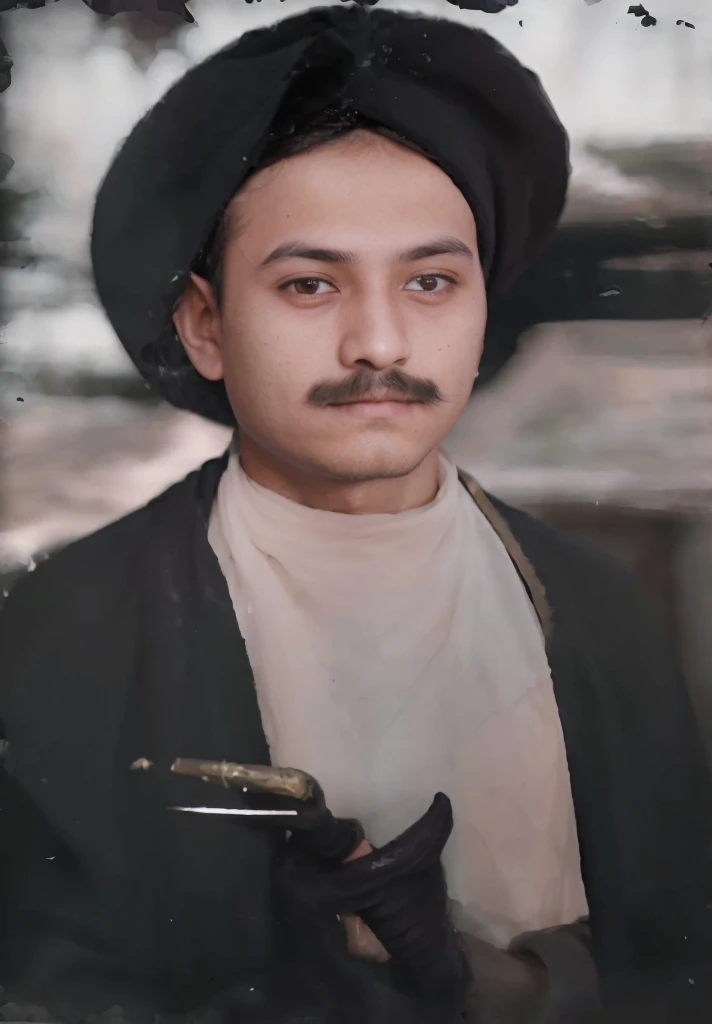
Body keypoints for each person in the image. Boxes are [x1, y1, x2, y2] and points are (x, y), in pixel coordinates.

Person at [1, 5, 712, 1023]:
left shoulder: (594, 611)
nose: (377, 341)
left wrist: (497, 982)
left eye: (429, 280)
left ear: (479, 308)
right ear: (204, 323)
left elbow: (682, 958)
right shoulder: (63, 626)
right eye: (308, 284)